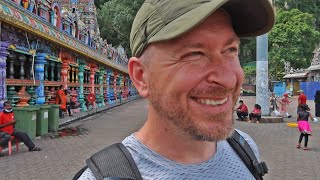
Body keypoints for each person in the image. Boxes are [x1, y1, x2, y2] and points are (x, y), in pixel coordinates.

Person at [77, 0, 275, 179]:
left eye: (230, 50)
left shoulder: (244, 148)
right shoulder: (109, 176)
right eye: (195, 54)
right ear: (141, 76)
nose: (228, 79)